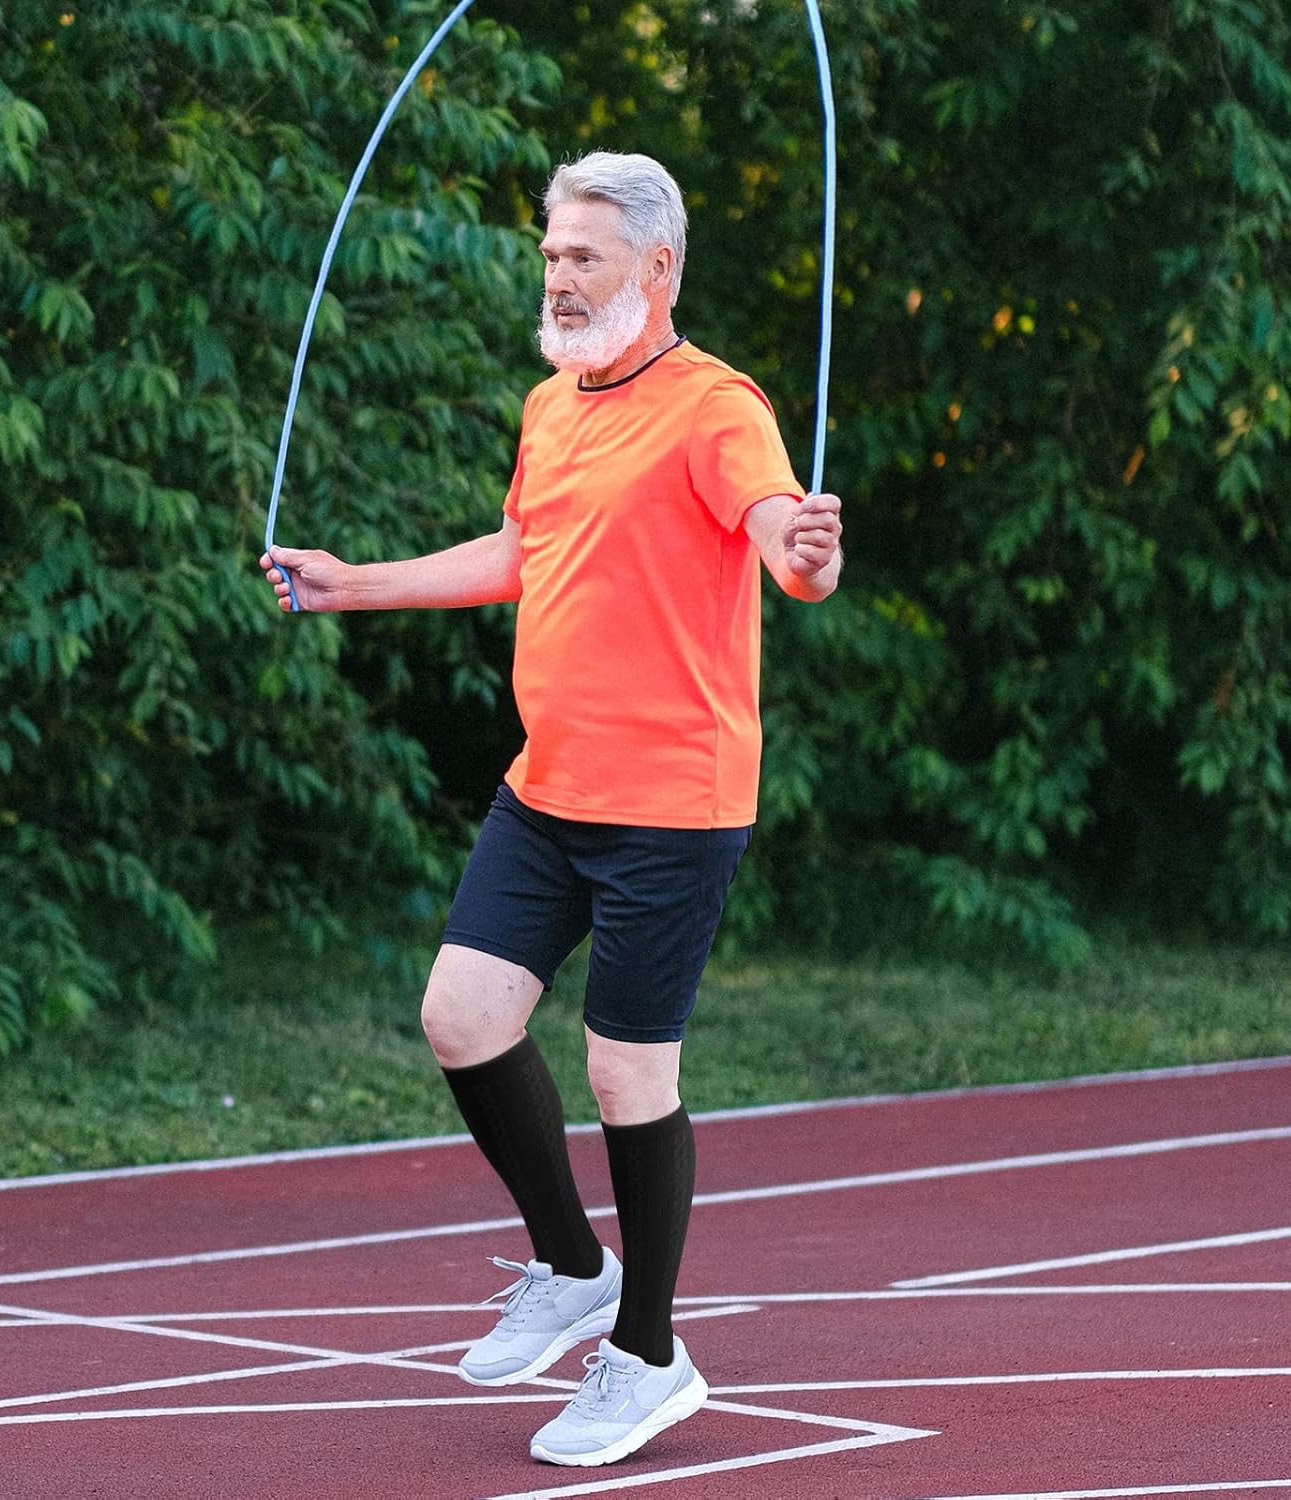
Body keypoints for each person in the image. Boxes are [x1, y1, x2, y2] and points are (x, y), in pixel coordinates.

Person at [261, 150, 843, 1468]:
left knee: (627, 1072)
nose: (559, 277)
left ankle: (648, 1354)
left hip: (672, 802)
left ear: (658, 266)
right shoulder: (552, 404)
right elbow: (525, 552)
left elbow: (782, 540)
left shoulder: (717, 407)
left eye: (584, 255)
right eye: (551, 256)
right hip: (550, 788)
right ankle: (574, 1267)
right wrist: (354, 583)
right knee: (461, 1015)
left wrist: (808, 557)